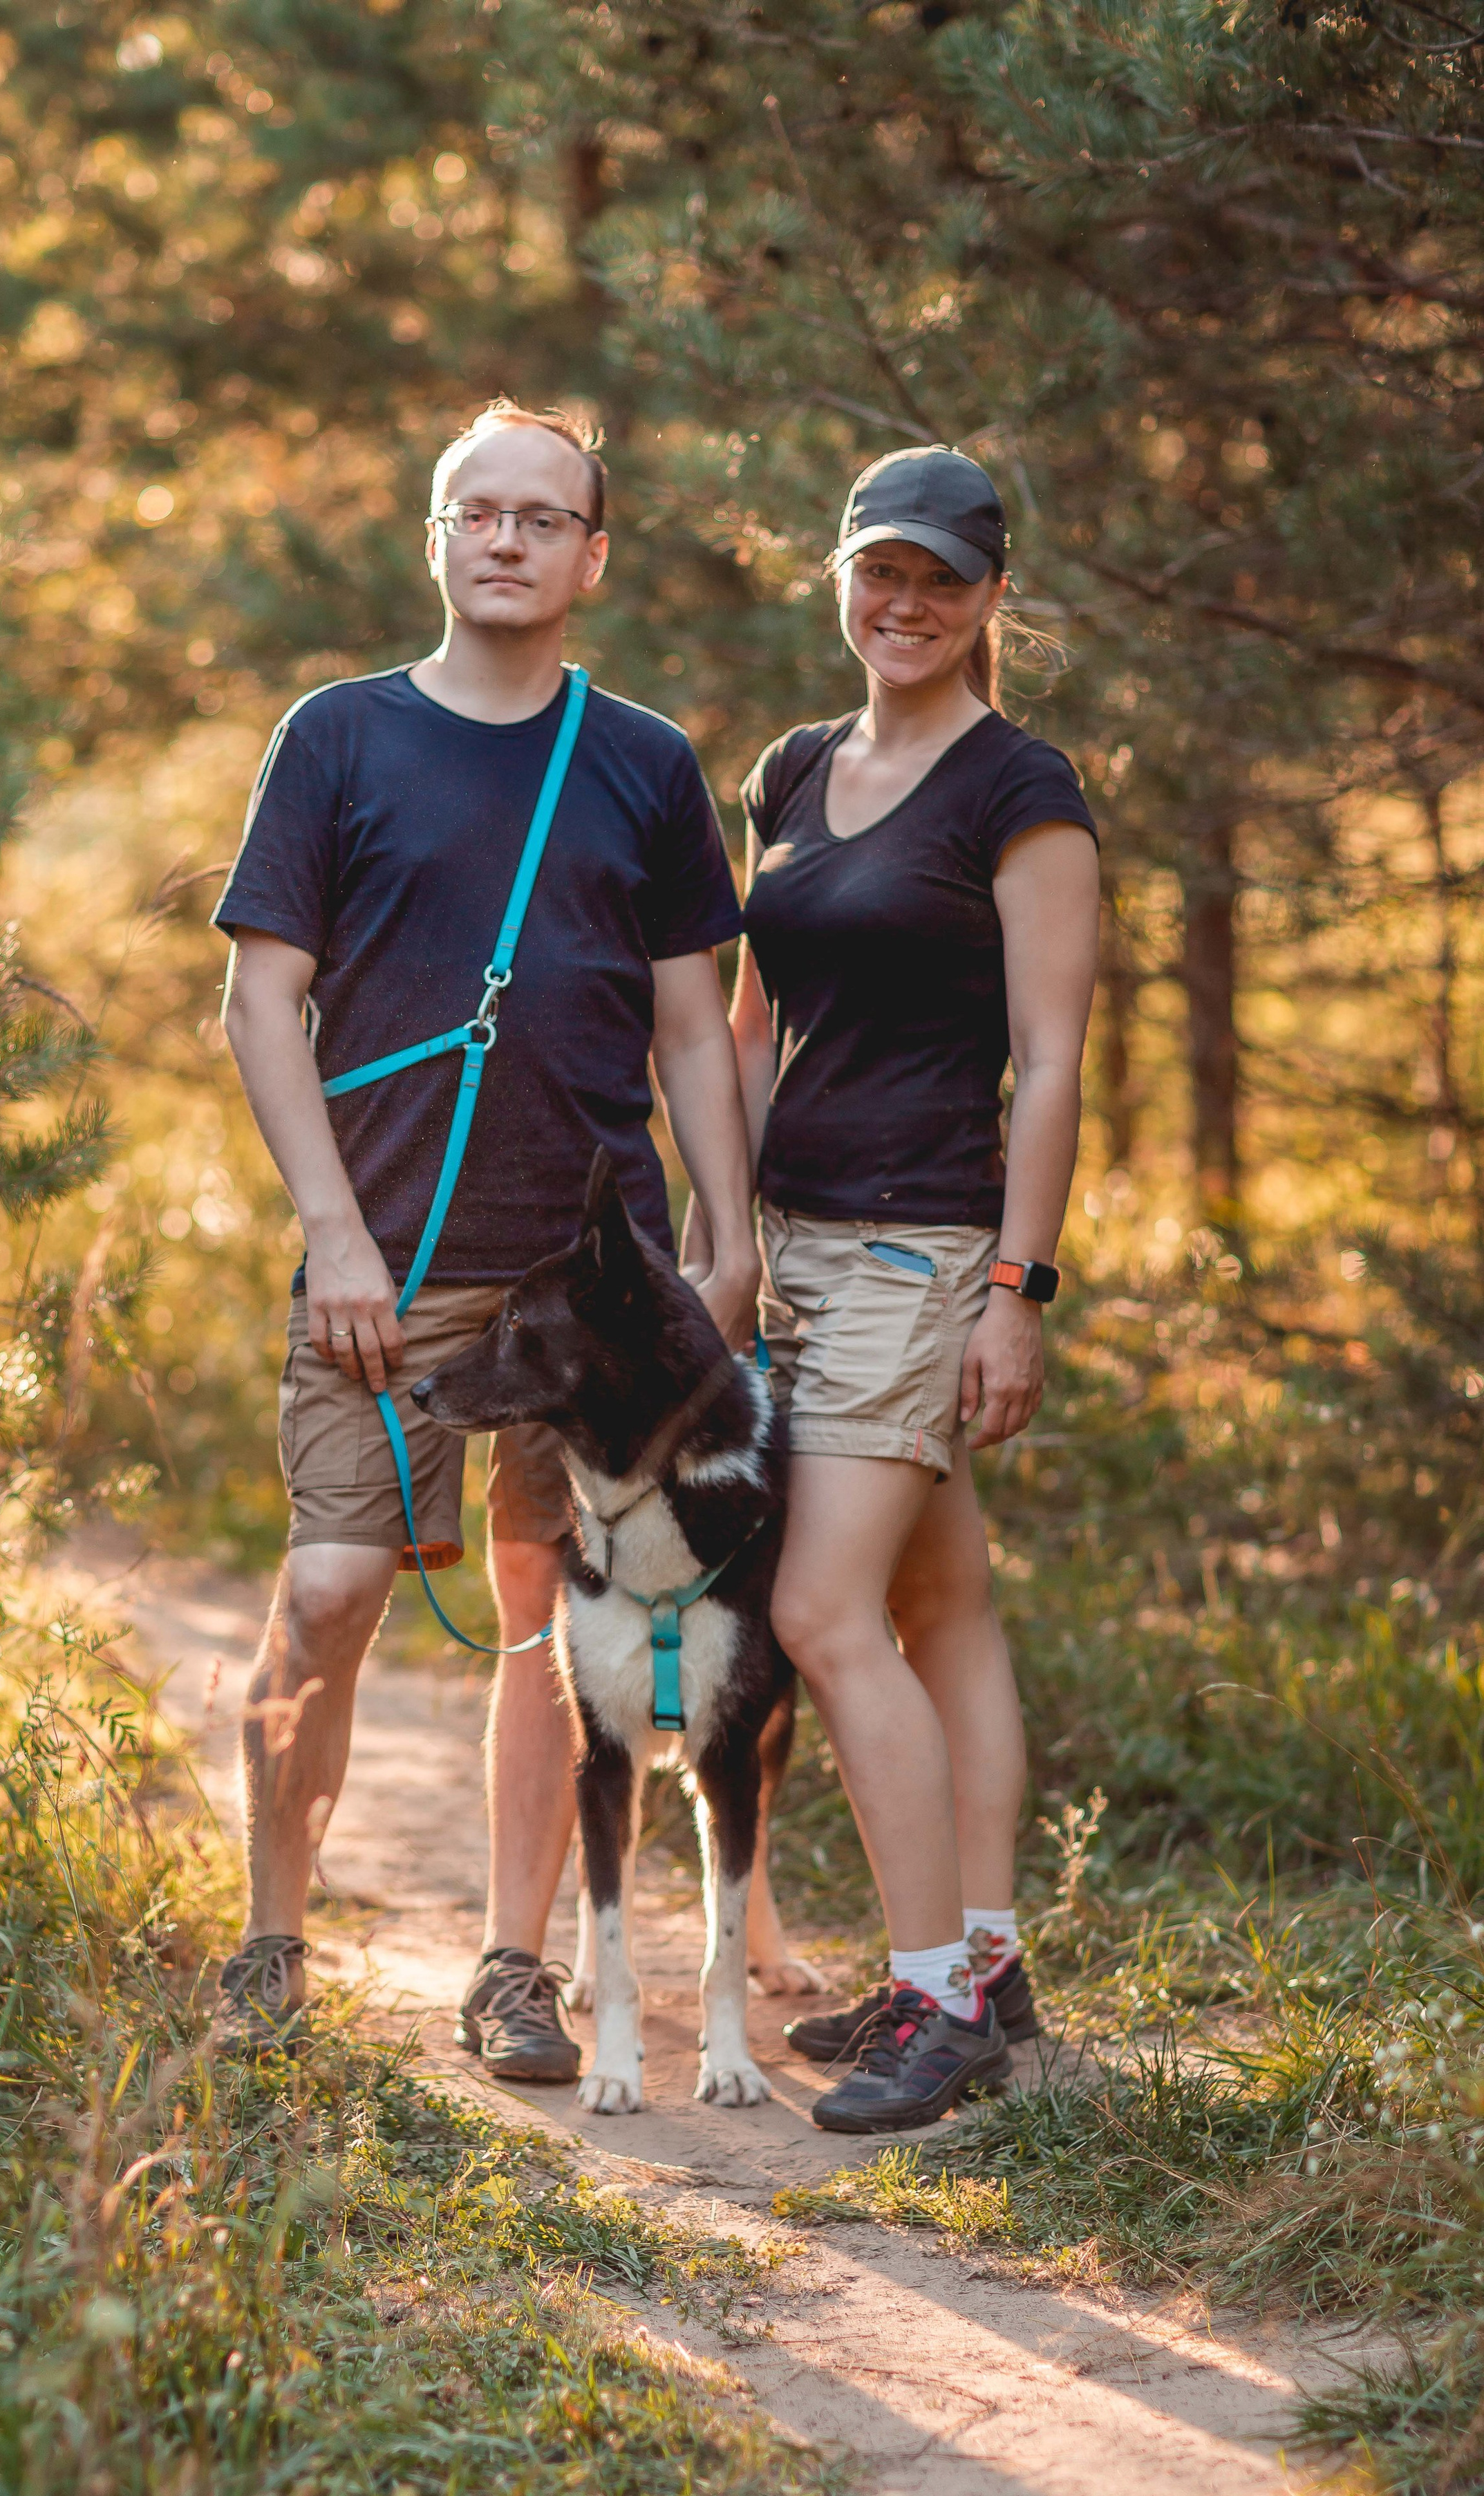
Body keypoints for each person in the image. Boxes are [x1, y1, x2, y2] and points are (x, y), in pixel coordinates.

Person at [211, 399, 760, 2074]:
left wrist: (723, 1234)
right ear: (435, 540)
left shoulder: (643, 762)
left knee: (556, 1624)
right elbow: (258, 999)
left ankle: (515, 1965)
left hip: (592, 1291)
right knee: (328, 1589)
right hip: (381, 1266)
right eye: (479, 512)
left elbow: (689, 1024)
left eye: (544, 516)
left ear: (591, 555)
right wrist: (337, 1237)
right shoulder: (337, 738)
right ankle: (270, 1941)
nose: (508, 538)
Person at [689, 446, 1100, 2132]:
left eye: (940, 579)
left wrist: (1015, 1285)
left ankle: (933, 2004)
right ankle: (986, 1969)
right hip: (798, 1244)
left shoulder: (1023, 787)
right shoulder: (790, 770)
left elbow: (1055, 1055)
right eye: (880, 573)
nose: (905, 605)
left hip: (920, 1240)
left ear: (992, 595)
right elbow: (747, 1028)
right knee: (937, 1609)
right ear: (839, 582)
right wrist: (723, 1245)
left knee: (816, 1616)